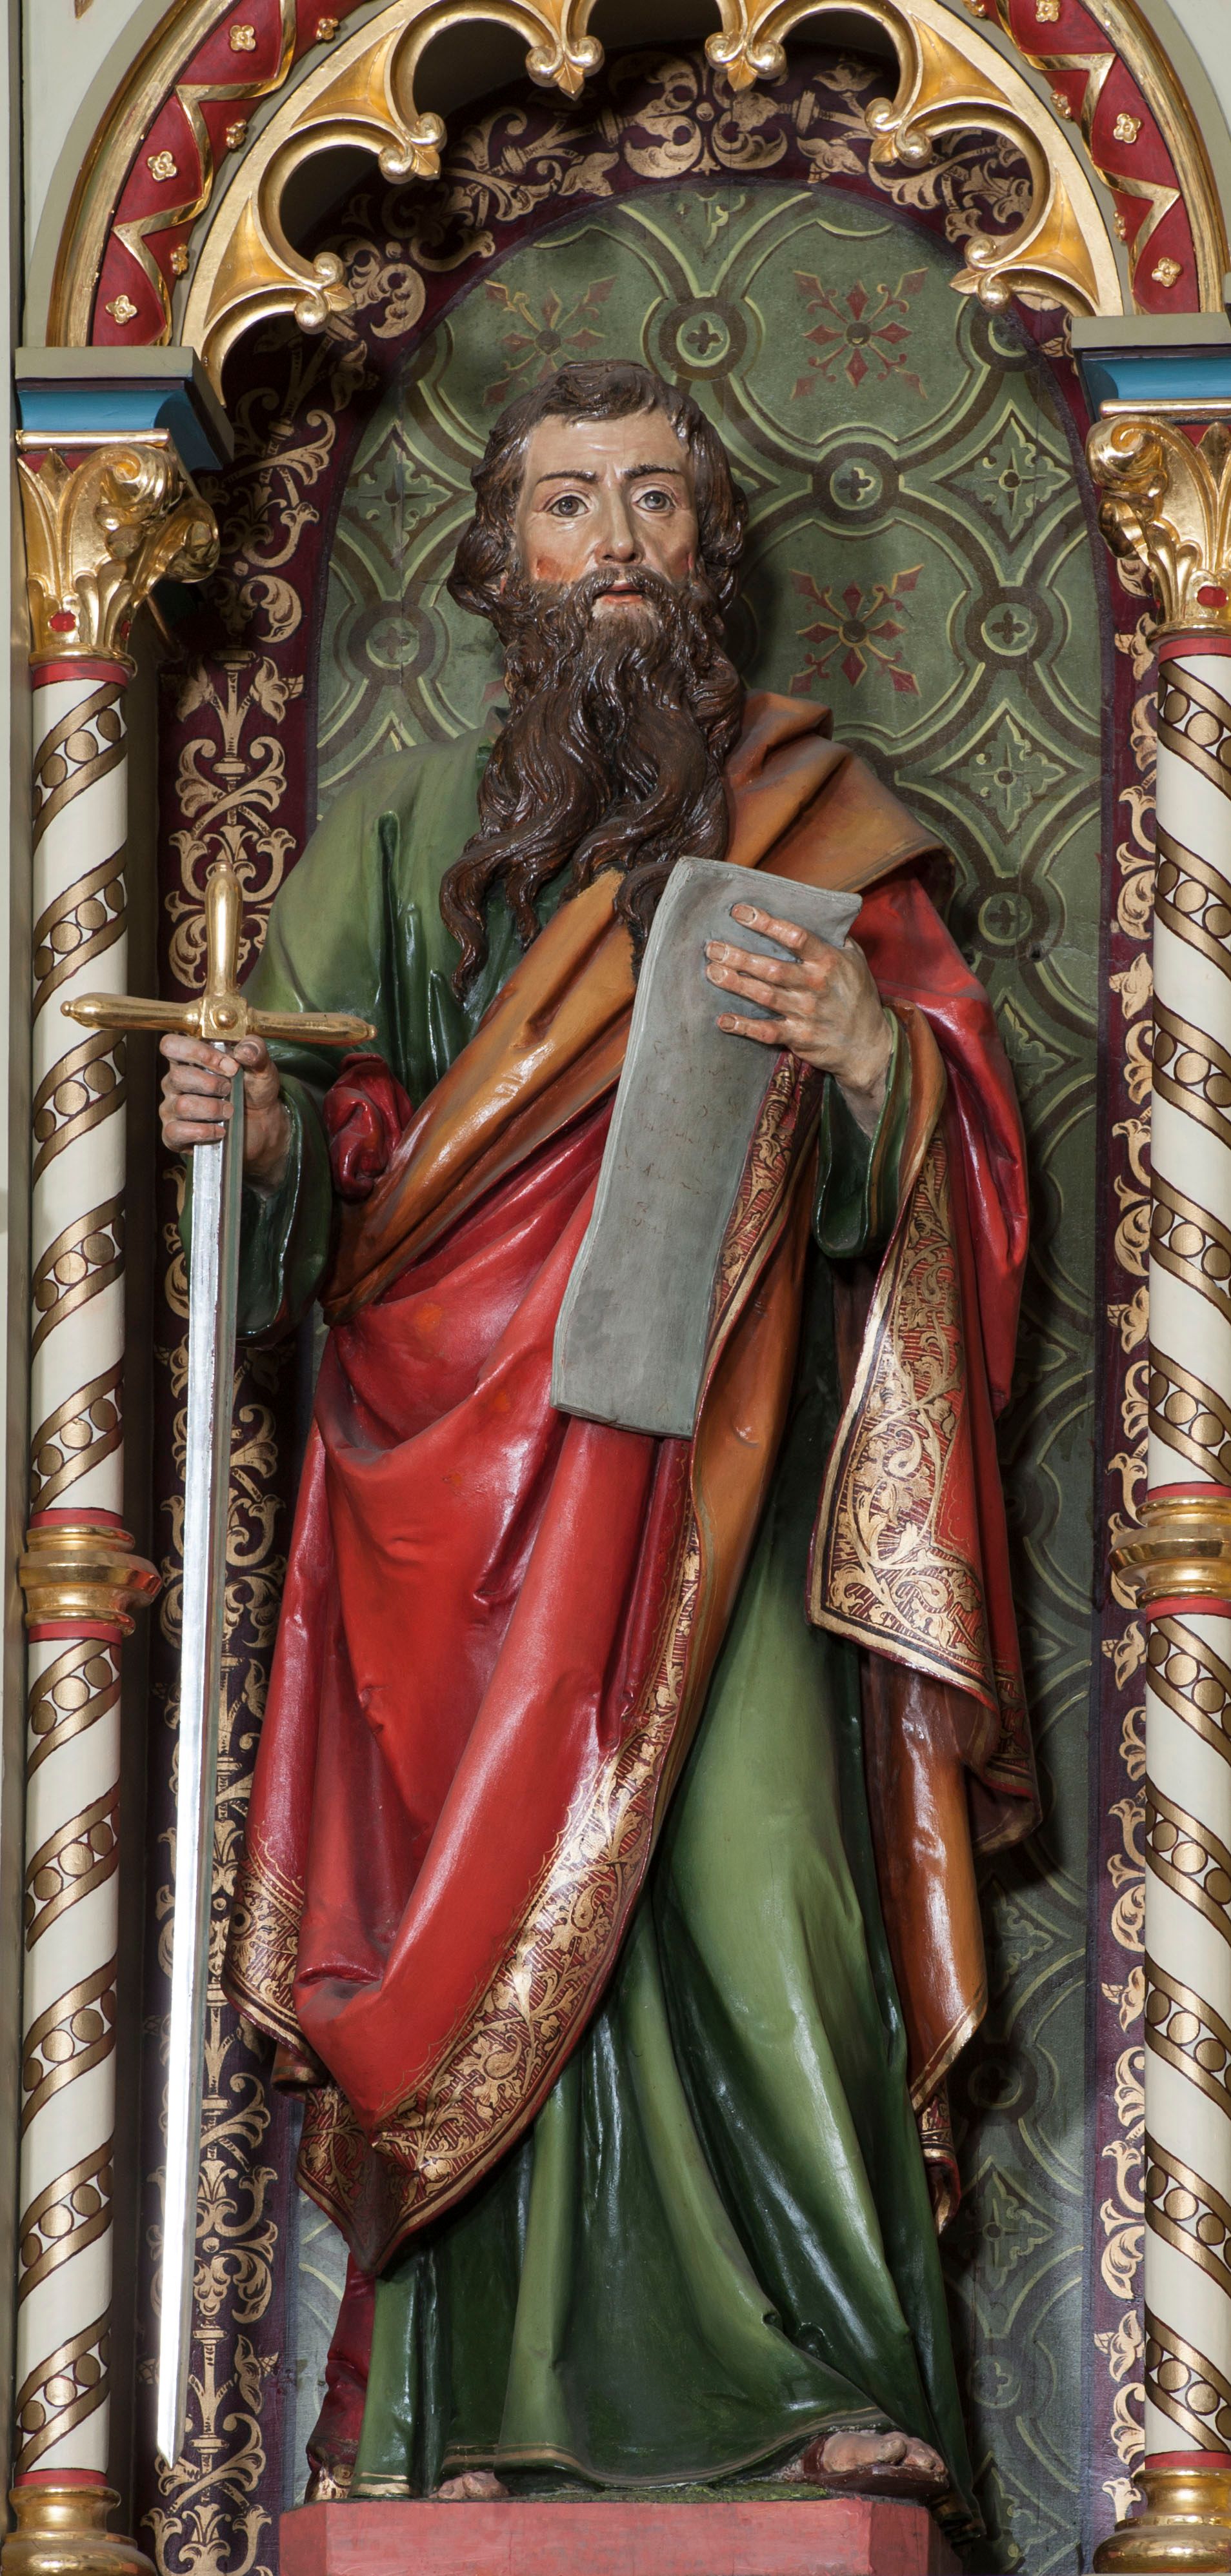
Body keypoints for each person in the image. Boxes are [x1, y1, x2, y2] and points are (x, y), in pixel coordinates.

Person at [160, 360, 1033, 2524]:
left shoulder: (816, 824)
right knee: (480, 1929)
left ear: (707, 551)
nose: (617, 544)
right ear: (501, 563)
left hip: (725, 1483)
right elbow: (328, 1155)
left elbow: (953, 1161)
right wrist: (245, 1129)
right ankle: (454, 2418)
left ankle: (832, 2374)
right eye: (569, 505)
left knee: (765, 1885)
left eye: (655, 501)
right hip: (458, 1508)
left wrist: (868, 1056)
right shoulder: (393, 843)